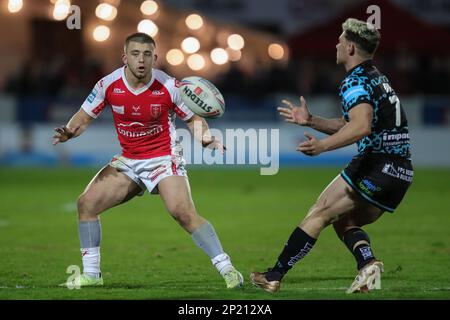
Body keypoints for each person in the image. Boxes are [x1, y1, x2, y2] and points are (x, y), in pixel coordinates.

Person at [53, 33, 243, 289]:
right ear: (125, 57)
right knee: (86, 204)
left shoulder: (170, 86)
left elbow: (193, 119)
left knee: (183, 213)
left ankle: (228, 269)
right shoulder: (108, 85)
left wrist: (206, 138)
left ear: (155, 58)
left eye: (146, 55)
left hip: (164, 157)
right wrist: (69, 130)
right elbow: (84, 116)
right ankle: (91, 274)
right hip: (129, 160)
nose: (141, 60)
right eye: (135, 54)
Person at [250, 18, 413, 293]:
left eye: (340, 40)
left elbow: (360, 127)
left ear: (350, 48)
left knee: (319, 212)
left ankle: (274, 275)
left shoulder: (355, 81)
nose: (336, 44)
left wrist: (323, 147)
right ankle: (367, 264)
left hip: (375, 163)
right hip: (400, 172)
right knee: (346, 222)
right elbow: (355, 121)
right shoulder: (376, 77)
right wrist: (311, 120)